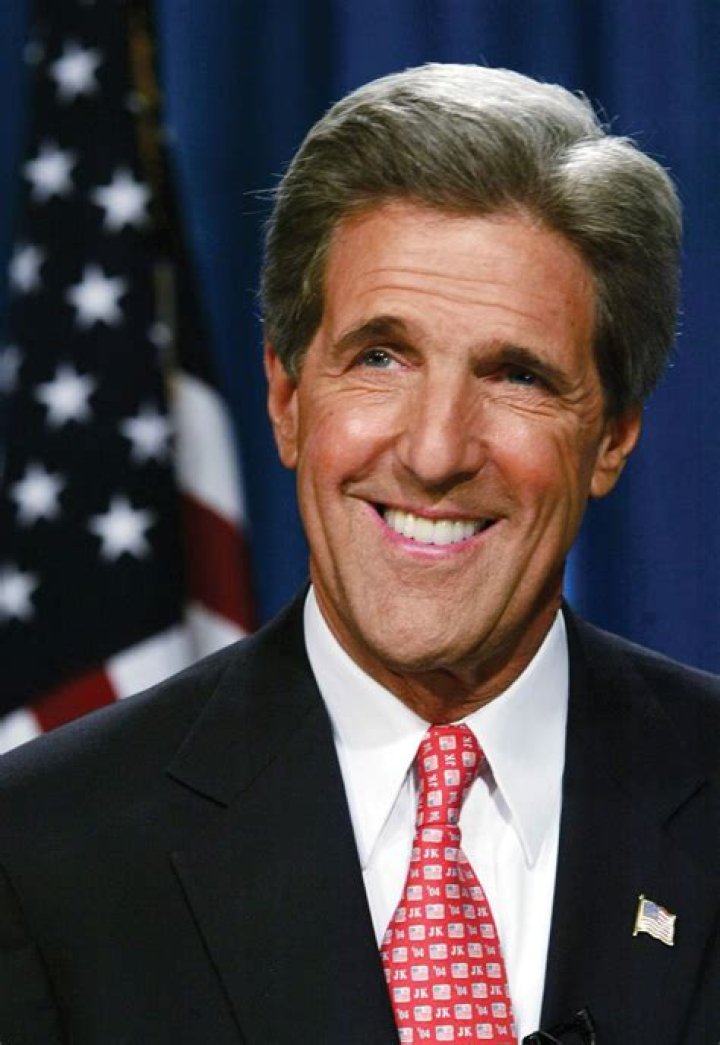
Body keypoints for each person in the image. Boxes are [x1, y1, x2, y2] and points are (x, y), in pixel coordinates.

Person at [0, 63, 718, 1045]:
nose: (434, 451)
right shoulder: (44, 853)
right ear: (288, 398)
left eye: (516, 374)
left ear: (614, 437)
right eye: (381, 357)